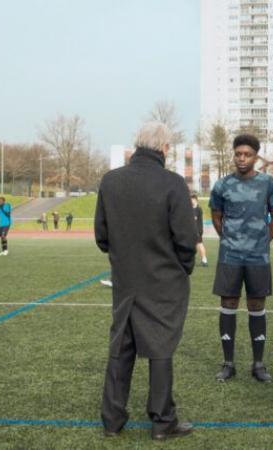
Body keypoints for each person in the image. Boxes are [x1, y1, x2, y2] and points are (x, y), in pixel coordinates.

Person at [95, 121, 197, 441]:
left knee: (121, 346)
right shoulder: (173, 183)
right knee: (161, 347)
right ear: (164, 149)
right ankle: (162, 421)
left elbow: (102, 236)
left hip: (126, 278)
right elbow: (186, 238)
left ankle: (112, 419)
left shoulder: (111, 181)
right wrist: (183, 267)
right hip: (164, 279)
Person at [209, 133, 273, 383]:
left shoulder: (268, 184)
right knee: (228, 304)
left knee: (256, 306)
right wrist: (229, 239)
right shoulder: (222, 185)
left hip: (257, 257)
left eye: (247, 154)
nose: (242, 158)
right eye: (238, 154)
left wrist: (263, 240)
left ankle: (258, 364)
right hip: (230, 255)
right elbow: (217, 217)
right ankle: (228, 363)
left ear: (255, 156)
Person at [191, 193, 208, 266]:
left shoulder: (198, 209)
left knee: (200, 244)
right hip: (192, 231)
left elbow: (195, 219)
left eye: (193, 200)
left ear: (196, 200)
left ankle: (204, 260)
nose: (192, 201)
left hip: (197, 231)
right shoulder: (190, 209)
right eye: (191, 199)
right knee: (192, 246)